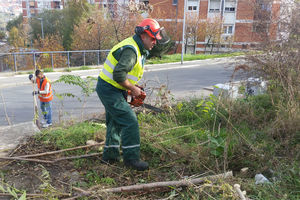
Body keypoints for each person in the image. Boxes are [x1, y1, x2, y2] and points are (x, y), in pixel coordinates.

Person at [96, 18, 169, 171]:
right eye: (152, 38)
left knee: (115, 121)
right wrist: (133, 89)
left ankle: (110, 157)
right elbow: (119, 75)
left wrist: (132, 86)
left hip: (113, 88)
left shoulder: (139, 48)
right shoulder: (131, 50)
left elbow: (124, 74)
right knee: (130, 121)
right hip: (109, 89)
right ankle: (131, 159)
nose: (155, 42)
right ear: (143, 36)